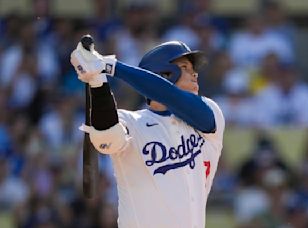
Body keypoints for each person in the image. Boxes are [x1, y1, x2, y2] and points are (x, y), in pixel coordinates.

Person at [70, 39, 225, 228]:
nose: (194, 74)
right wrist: (97, 81)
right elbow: (107, 137)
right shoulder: (132, 122)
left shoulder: (210, 111)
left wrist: (109, 66)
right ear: (164, 74)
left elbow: (170, 96)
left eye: (193, 68)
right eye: (184, 67)